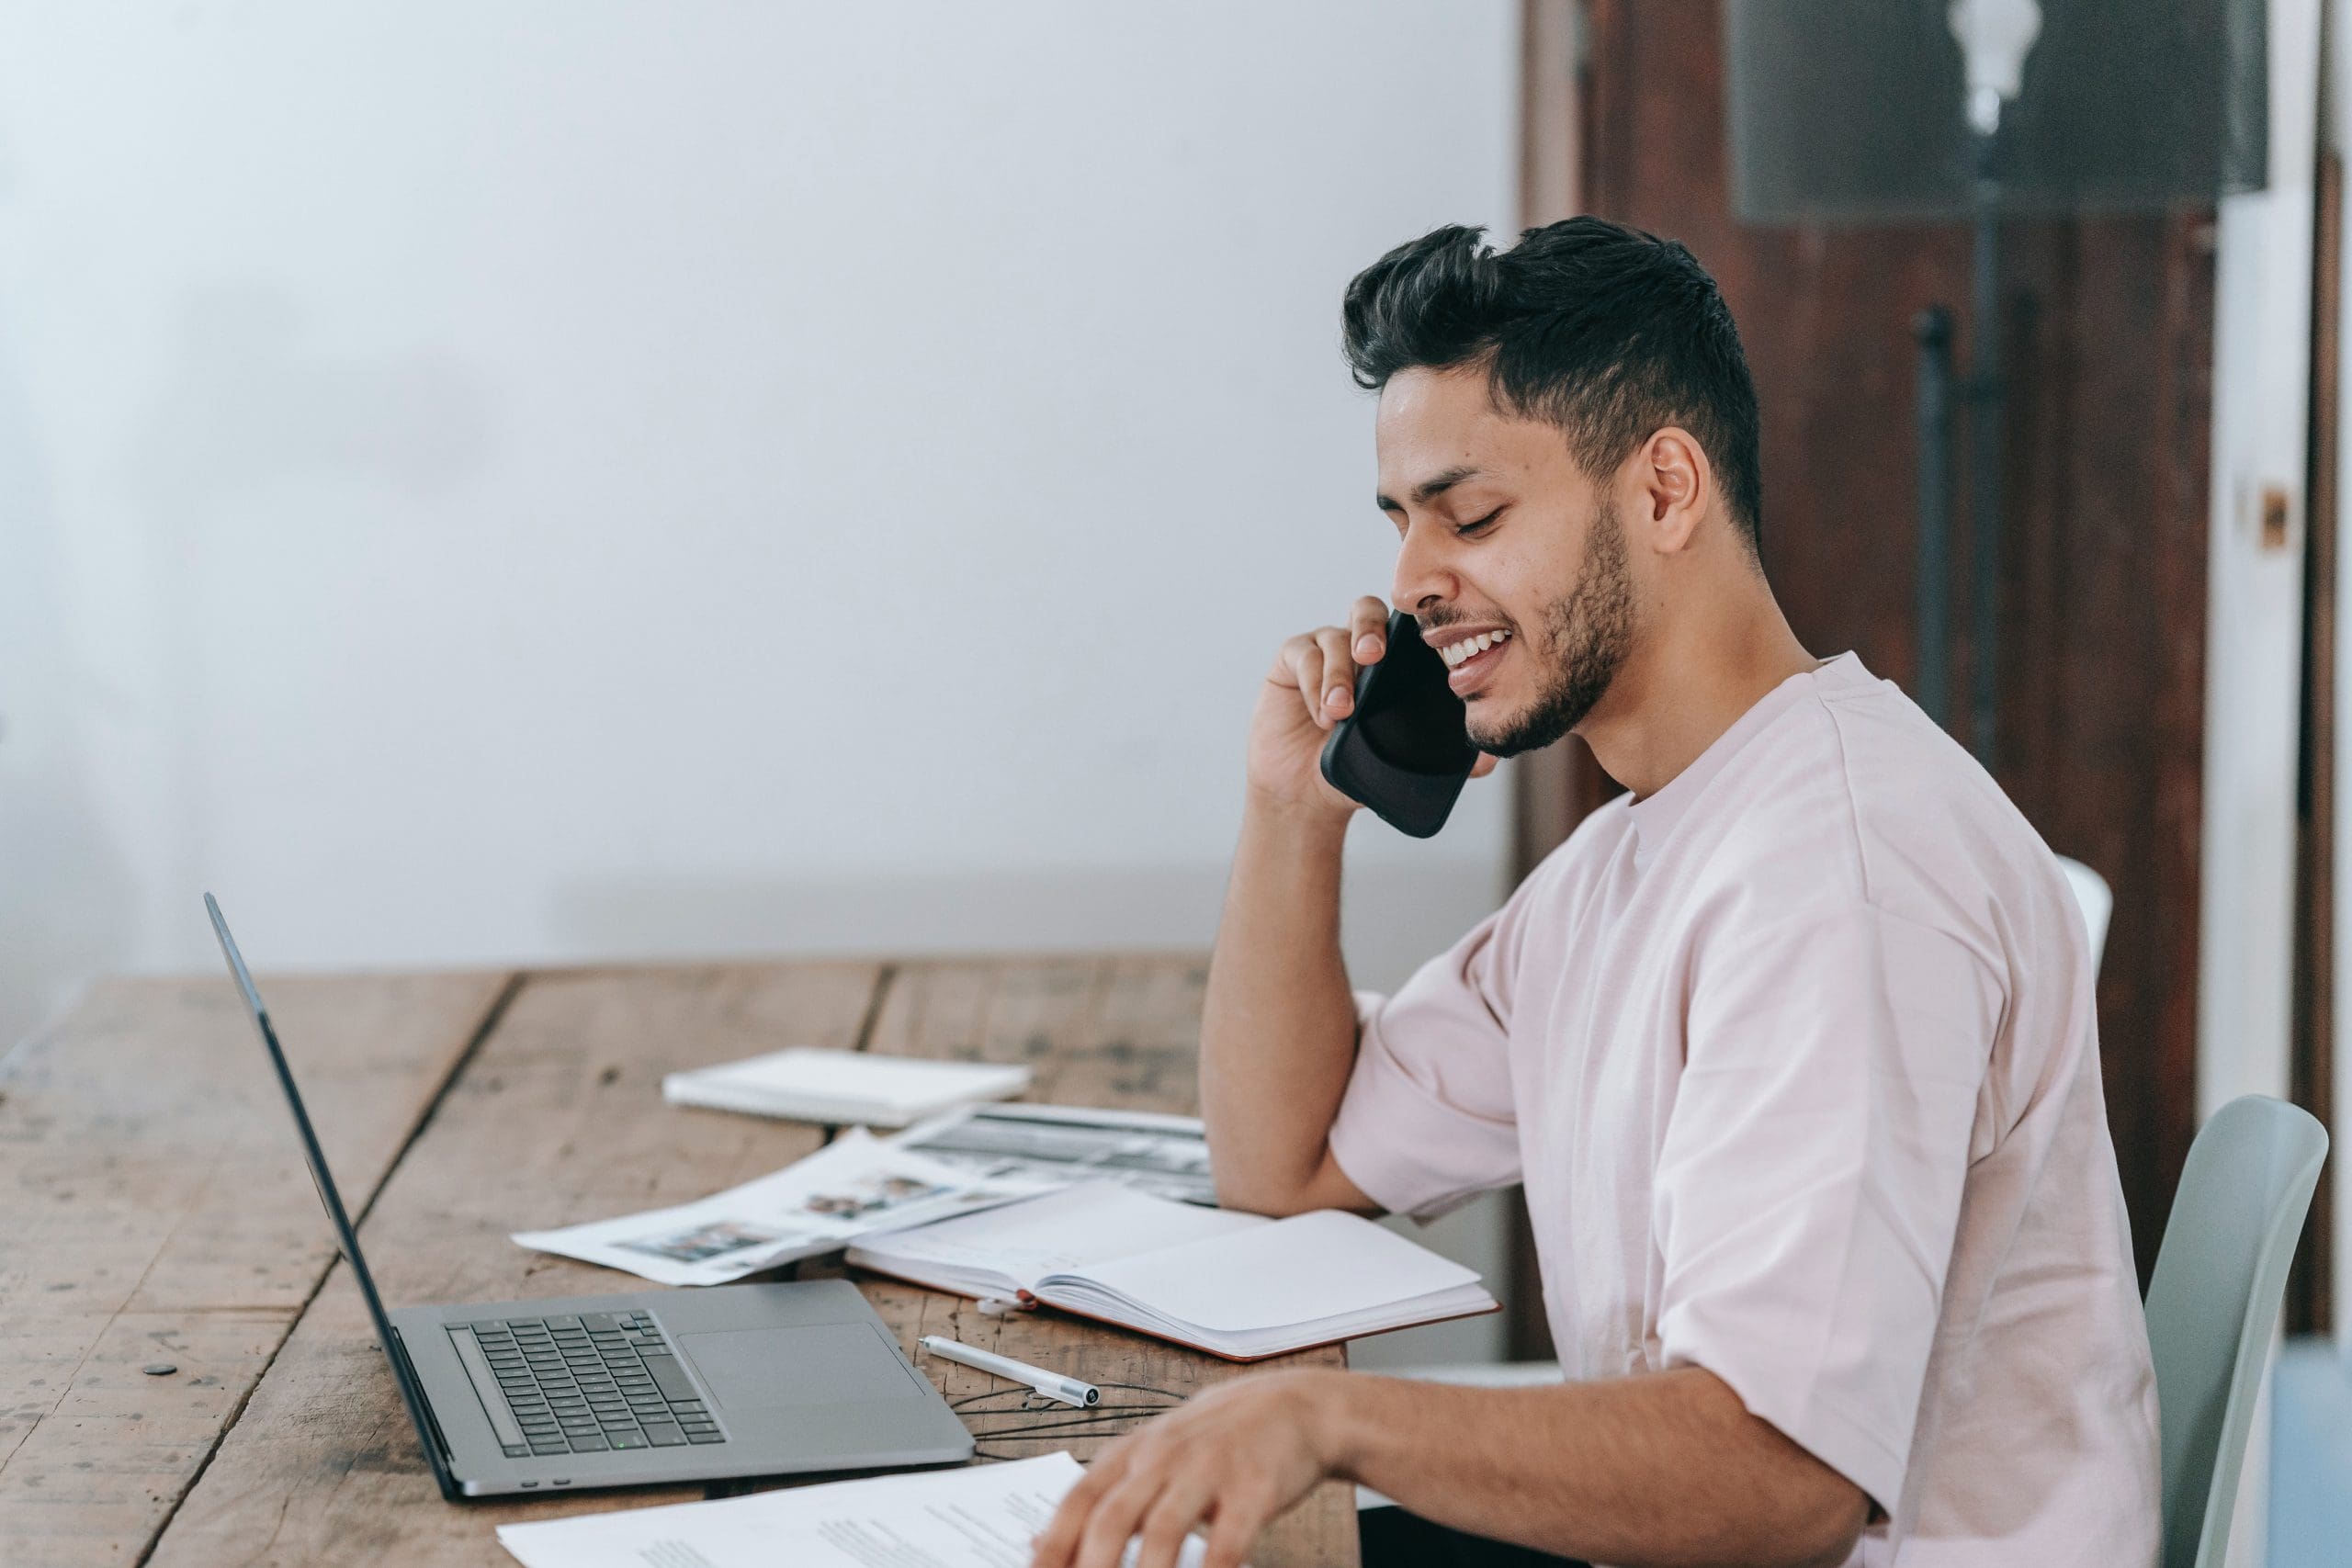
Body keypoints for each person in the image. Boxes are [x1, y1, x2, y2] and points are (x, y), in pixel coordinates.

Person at [1029, 218, 2159, 1568]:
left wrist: (1328, 1419)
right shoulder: (1638, 854)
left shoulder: (1839, 880)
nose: (1413, 586)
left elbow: (1778, 1478)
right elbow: (1287, 1169)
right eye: (1402, 525)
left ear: (1667, 489)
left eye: (1475, 515)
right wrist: (1293, 815)